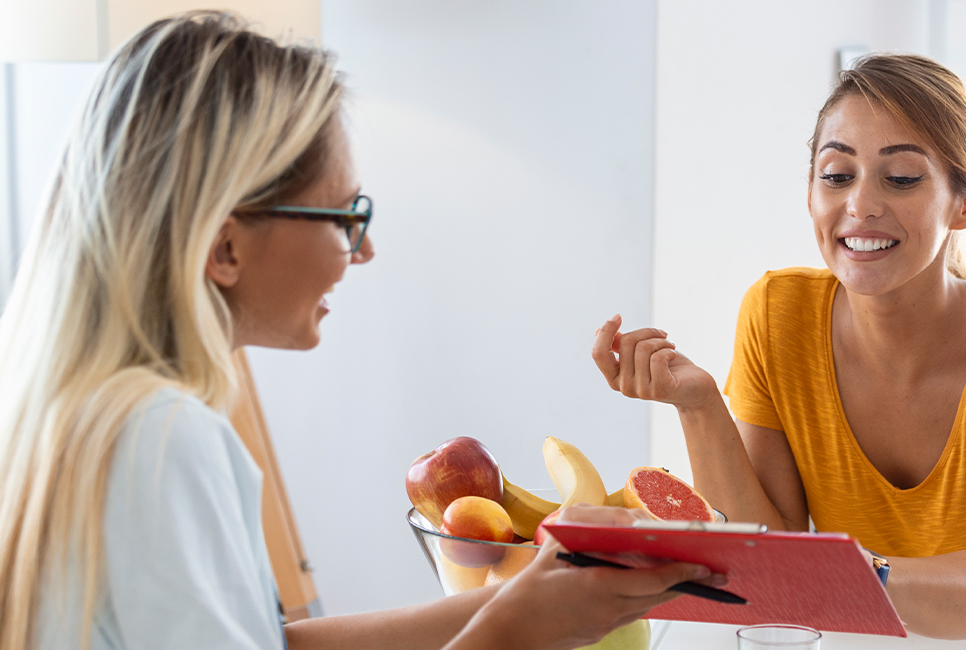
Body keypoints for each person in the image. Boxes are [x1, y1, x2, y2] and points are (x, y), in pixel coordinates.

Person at [0, 13, 718, 650]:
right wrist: (514, 630)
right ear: (224, 250)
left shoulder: (80, 413)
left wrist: (515, 600)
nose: (363, 250)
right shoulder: (167, 438)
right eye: (346, 218)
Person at [592, 54, 966, 640]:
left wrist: (852, 575)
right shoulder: (777, 311)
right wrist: (700, 406)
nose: (860, 205)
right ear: (811, 194)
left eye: (902, 178)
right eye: (837, 176)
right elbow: (770, 557)